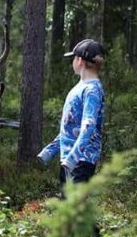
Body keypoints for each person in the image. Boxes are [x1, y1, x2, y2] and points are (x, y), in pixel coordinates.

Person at [37, 37, 105, 197]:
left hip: (81, 159)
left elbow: (88, 125)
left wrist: (74, 156)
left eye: (74, 58)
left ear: (80, 60)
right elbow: (70, 127)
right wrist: (51, 150)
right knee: (67, 207)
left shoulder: (92, 90)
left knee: (75, 209)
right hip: (69, 159)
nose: (73, 61)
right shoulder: (80, 87)